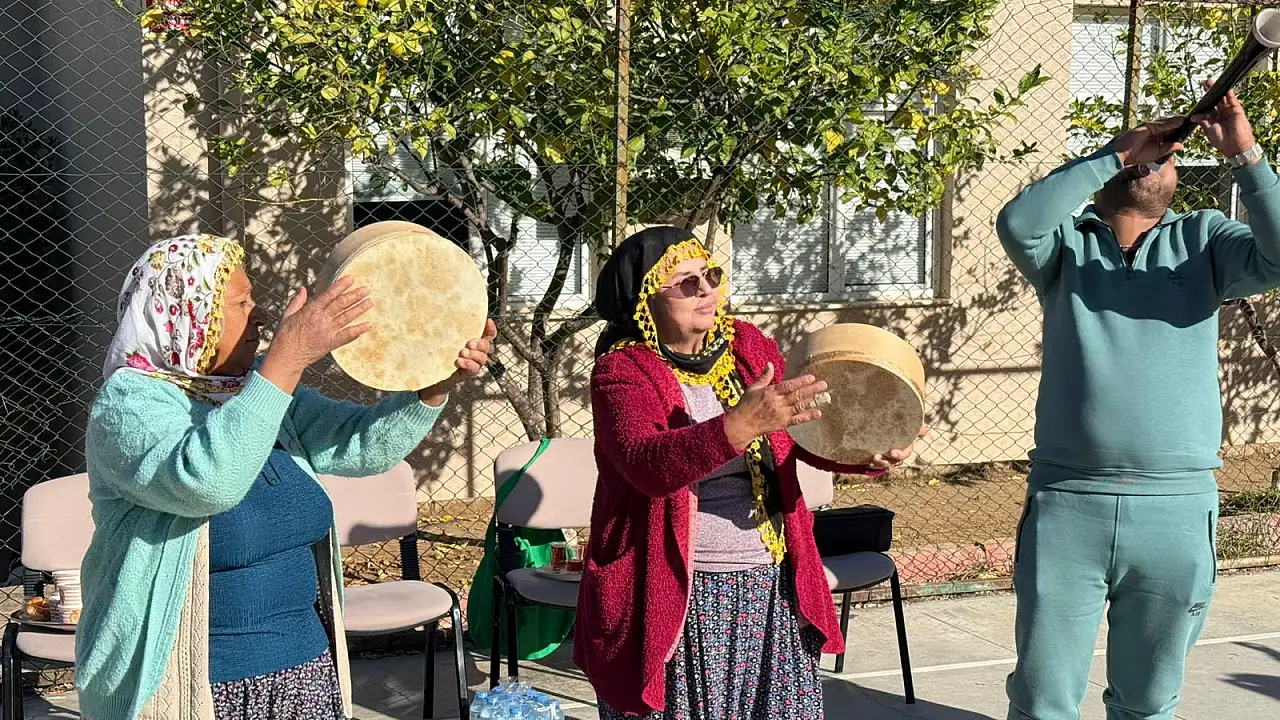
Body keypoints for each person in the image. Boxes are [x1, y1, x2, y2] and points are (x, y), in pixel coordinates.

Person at [74, 234, 496, 720]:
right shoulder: (129, 405)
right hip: (192, 683)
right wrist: (287, 359)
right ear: (187, 313)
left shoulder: (252, 388)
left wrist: (433, 387)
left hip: (303, 668)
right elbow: (208, 481)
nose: (259, 315)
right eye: (240, 303)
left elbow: (361, 446)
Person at [997, 86, 1280, 720]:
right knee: (1042, 699)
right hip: (1068, 503)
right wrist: (1117, 153)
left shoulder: (1207, 238)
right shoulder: (1063, 245)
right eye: (1141, 152)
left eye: (1166, 155)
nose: (1155, 160)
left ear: (1179, 177)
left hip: (1177, 508)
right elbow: (1017, 222)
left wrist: (1245, 153)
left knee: (1149, 701)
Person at [575, 226, 925, 719]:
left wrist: (860, 456)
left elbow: (799, 431)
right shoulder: (623, 371)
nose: (705, 289)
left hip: (769, 581)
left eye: (710, 275)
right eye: (686, 282)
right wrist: (738, 426)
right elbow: (646, 465)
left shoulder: (747, 345)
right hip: (681, 592)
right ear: (645, 300)